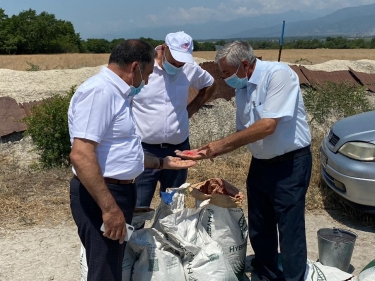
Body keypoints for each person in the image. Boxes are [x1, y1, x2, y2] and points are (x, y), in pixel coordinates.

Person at [176, 41, 312, 281]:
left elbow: (268, 125)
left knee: (289, 228)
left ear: (245, 65)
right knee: (260, 224)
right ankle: (266, 273)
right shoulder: (243, 89)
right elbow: (243, 133)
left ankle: (293, 277)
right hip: (261, 163)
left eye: (226, 73)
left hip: (290, 165)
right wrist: (209, 151)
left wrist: (218, 145)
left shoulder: (279, 76)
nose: (224, 79)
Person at [68, 39, 196, 281]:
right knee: (104, 269)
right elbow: (81, 154)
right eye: (147, 74)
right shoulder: (100, 93)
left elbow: (118, 151)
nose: (146, 81)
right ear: (135, 67)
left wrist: (162, 163)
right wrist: (109, 208)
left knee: (114, 265)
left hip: (116, 192)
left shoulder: (118, 94)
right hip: (103, 194)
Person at [131, 31, 216, 211]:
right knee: (137, 205)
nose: (178, 64)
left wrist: (191, 109)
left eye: (182, 61)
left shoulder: (190, 69)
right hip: (144, 150)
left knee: (173, 205)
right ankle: (132, 238)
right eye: (175, 59)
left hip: (178, 150)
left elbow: (210, 83)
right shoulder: (144, 68)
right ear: (164, 48)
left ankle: (169, 237)